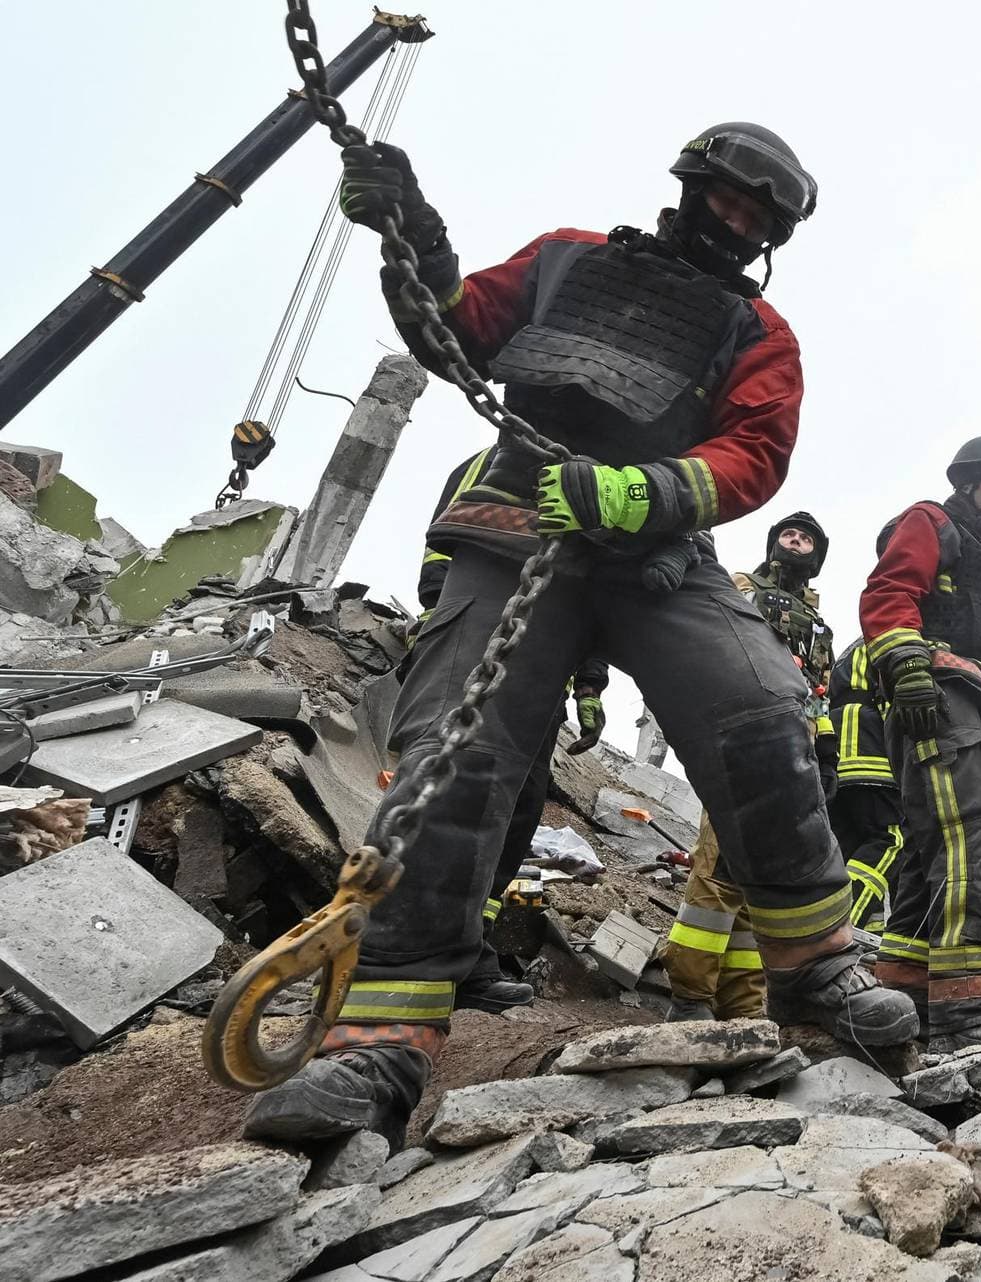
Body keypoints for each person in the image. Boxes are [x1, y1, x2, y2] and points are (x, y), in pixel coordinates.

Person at [245, 123, 915, 1149]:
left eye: (756, 219)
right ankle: (378, 1037)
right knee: (456, 754)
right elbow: (456, 329)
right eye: (726, 201)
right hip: (516, 520)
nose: (735, 224)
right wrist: (411, 239)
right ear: (690, 189)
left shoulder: (759, 334)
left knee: (760, 705)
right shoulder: (565, 259)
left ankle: (816, 970)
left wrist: (641, 490)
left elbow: (754, 452)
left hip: (654, 547)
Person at [414, 446, 613, 1014]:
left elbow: (591, 594)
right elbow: (443, 549)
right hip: (479, 643)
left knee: (518, 809)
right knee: (457, 794)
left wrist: (590, 688)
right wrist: (443, 620)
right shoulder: (491, 460)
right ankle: (415, 954)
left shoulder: (593, 474)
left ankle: (470, 956)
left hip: (547, 662)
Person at [862, 436, 981, 1051]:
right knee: (977, 833)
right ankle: (967, 1005)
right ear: (970, 481)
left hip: (965, 696)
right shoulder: (929, 520)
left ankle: (905, 994)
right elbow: (888, 593)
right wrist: (907, 664)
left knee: (930, 847)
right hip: (936, 688)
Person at [660, 512, 835, 1021]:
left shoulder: (819, 624)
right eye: (788, 533)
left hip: (794, 745)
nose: (795, 540)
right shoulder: (740, 586)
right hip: (745, 731)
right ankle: (690, 997)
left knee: (758, 874)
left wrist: (825, 753)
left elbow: (818, 693)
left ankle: (741, 1005)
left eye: (806, 537)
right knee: (717, 862)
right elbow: (711, 648)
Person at [826, 640, 905, 933]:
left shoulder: (850, 652)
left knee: (848, 847)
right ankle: (840, 925)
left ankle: (868, 937)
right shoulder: (891, 638)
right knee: (890, 841)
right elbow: (897, 699)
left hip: (834, 753)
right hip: (870, 749)